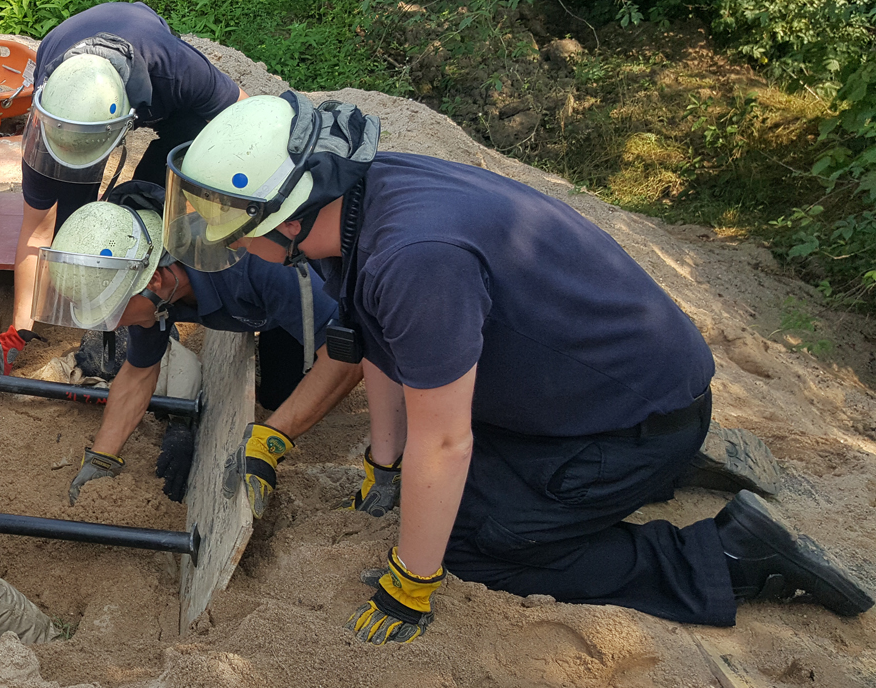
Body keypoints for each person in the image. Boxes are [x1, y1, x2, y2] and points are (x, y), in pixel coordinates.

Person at [163, 93, 873, 643]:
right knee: (427, 495)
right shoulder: (361, 200)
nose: (219, 238)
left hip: (633, 420)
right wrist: (382, 463)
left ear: (288, 219)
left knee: (471, 543)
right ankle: (653, 467)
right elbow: (373, 341)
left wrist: (412, 581)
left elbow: (445, 441)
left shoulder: (414, 260)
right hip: (621, 382)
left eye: (231, 223)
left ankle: (729, 556)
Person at [43, 182, 366, 510]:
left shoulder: (253, 261)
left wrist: (271, 439)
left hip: (344, 289)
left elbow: (349, 358)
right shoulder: (156, 296)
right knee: (281, 392)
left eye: (112, 313)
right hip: (266, 305)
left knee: (301, 387)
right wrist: (102, 459)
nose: (111, 326)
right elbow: (138, 373)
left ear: (153, 281)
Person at [0, 1, 247, 364]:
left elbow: (245, 116)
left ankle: (149, 302)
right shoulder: (56, 99)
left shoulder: (177, 72)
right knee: (75, 240)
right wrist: (18, 332)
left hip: (168, 103)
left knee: (155, 203)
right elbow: (37, 231)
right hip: (73, 115)